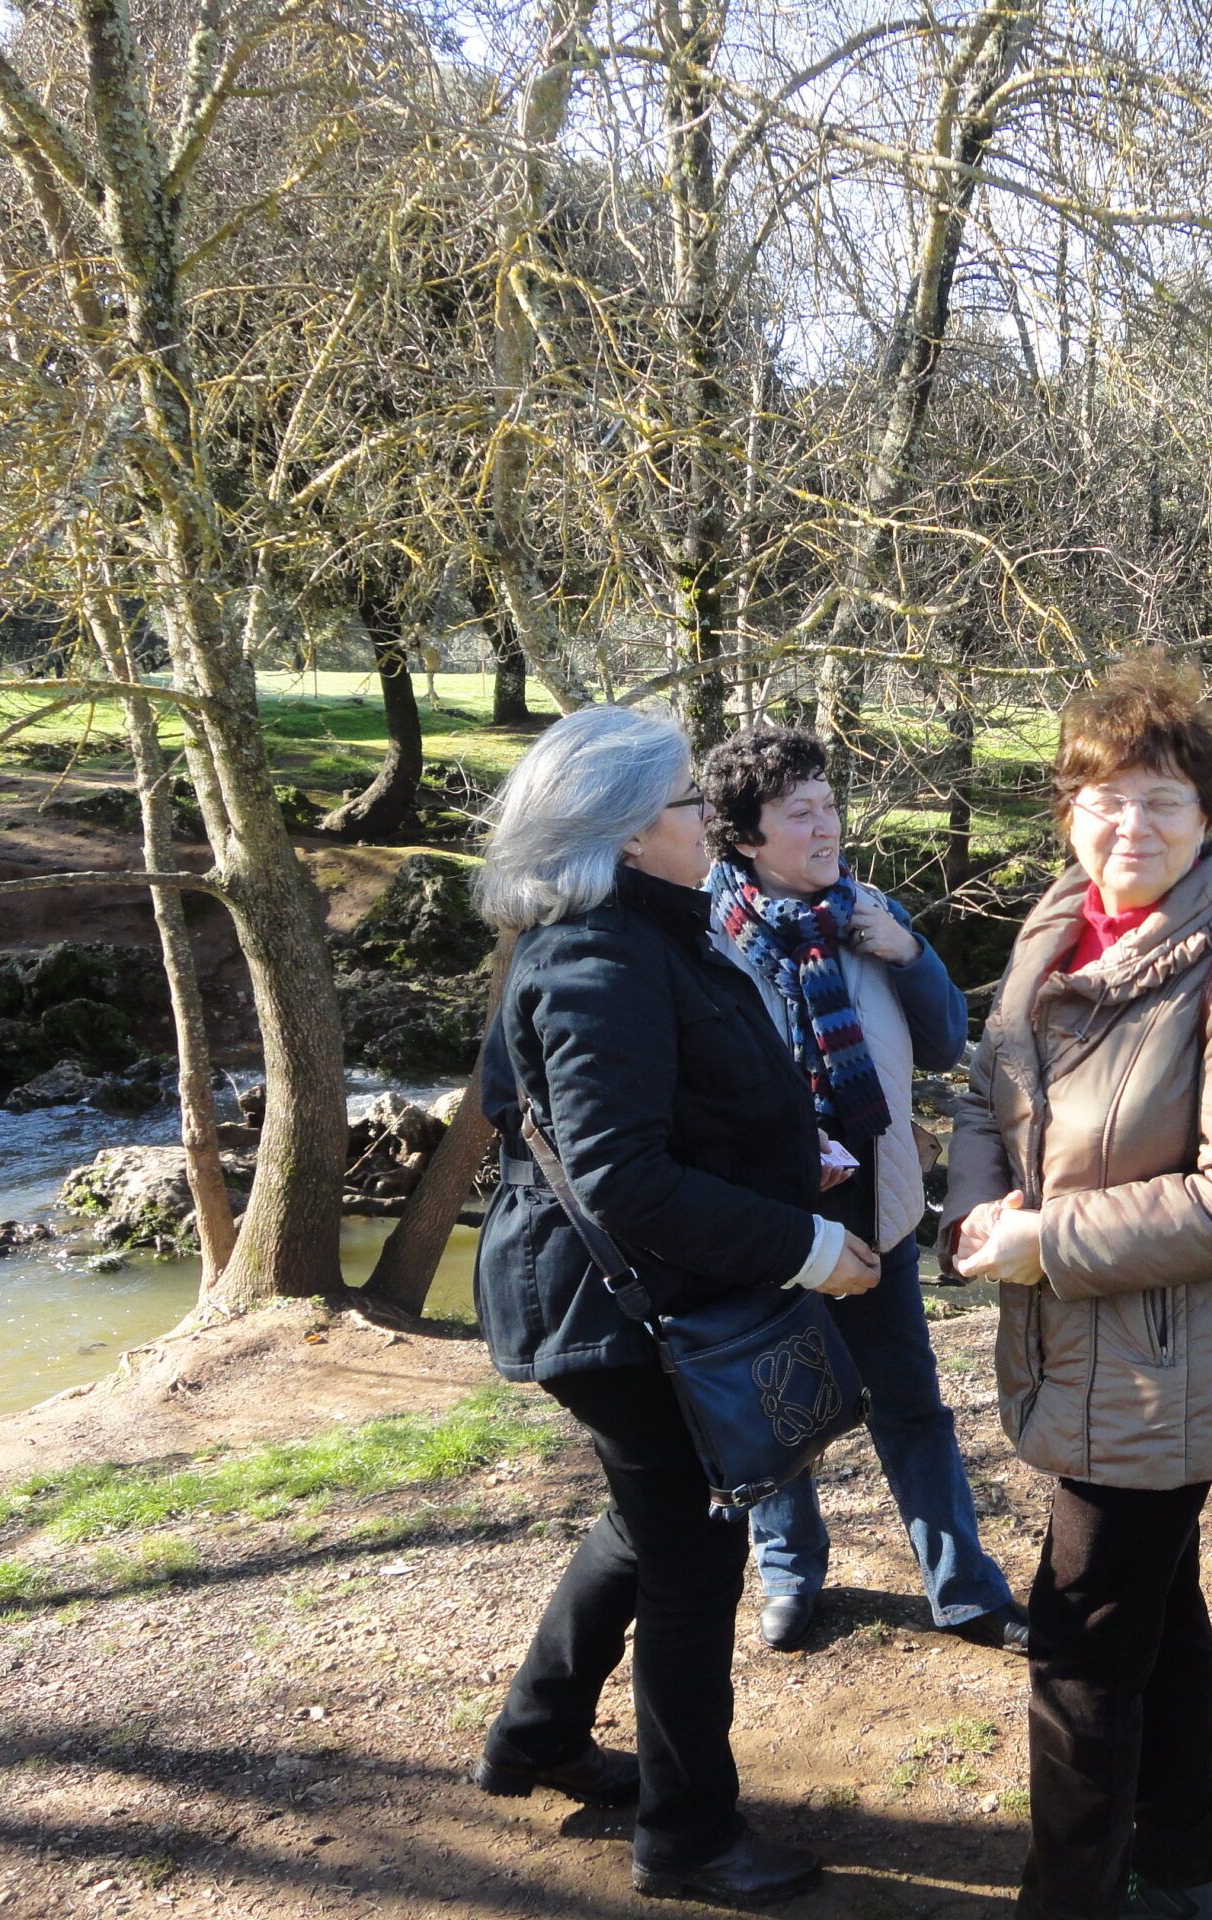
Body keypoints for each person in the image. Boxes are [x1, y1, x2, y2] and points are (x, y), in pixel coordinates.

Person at [463, 706, 880, 1909]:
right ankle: (688, 1834)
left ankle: (536, 1736)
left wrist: (784, 1147)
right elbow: (621, 1176)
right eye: (689, 805)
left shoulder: (642, 935)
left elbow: (657, 1112)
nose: (708, 820)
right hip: (615, 1318)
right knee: (695, 1560)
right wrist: (804, 1243)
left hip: (621, 1301)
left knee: (646, 1532)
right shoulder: (596, 957)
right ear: (630, 833)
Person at [943, 654, 1212, 1920]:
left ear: (1209, 818)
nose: (1130, 825)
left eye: (1162, 800)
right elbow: (986, 1093)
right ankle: (1190, 1862)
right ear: (1067, 809)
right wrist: (974, 1201)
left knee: (1081, 1642)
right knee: (1151, 1608)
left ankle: (1073, 1898)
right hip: (1077, 1346)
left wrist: (1045, 1240)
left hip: (1166, 1368)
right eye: (1105, 796)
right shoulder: (1049, 936)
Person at [699, 722, 1026, 1655]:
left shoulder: (867, 911)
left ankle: (963, 1591)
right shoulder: (705, 937)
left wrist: (907, 951)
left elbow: (943, 1040)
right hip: (767, 1220)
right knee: (777, 1413)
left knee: (912, 1405)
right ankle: (791, 1579)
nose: (826, 826)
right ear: (746, 838)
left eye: (830, 805)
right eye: (799, 813)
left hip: (874, 1205)